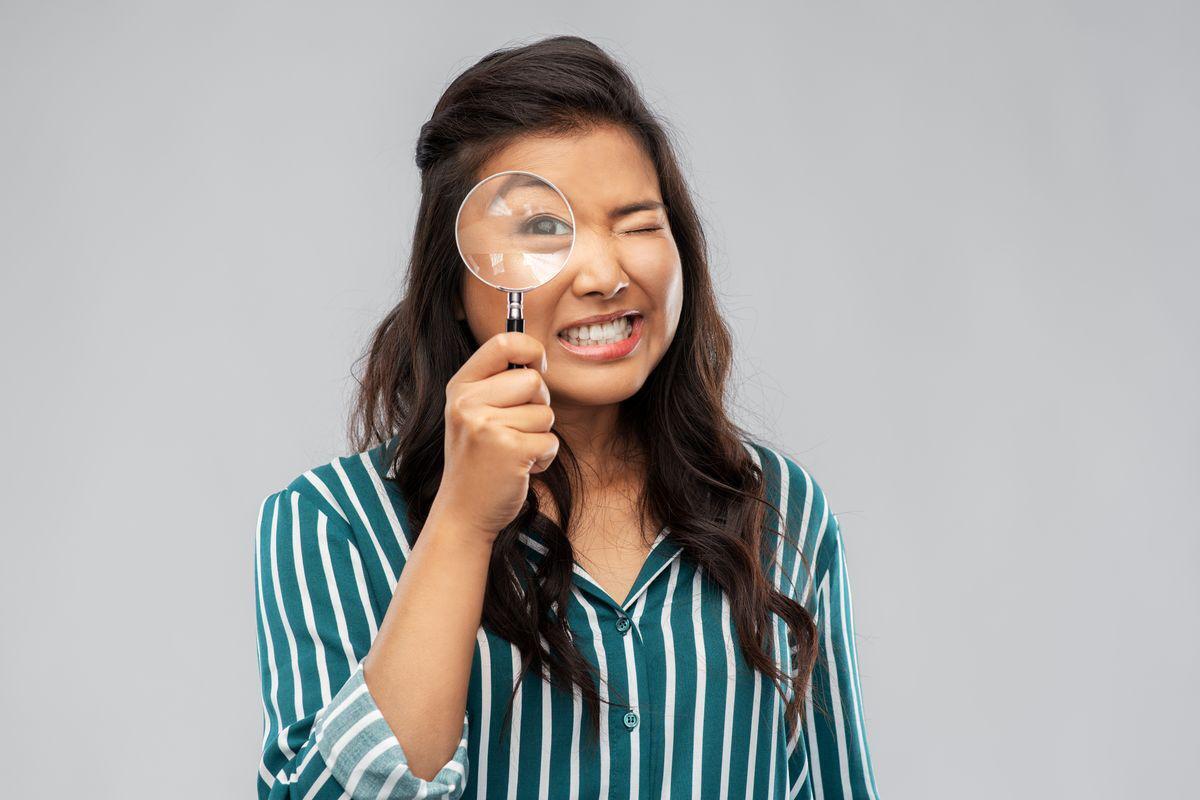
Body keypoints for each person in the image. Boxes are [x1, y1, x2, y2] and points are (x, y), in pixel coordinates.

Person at [253, 34, 881, 799]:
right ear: (458, 281)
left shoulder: (780, 508)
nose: (605, 274)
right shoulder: (332, 523)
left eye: (637, 223)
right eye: (545, 229)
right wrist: (460, 522)